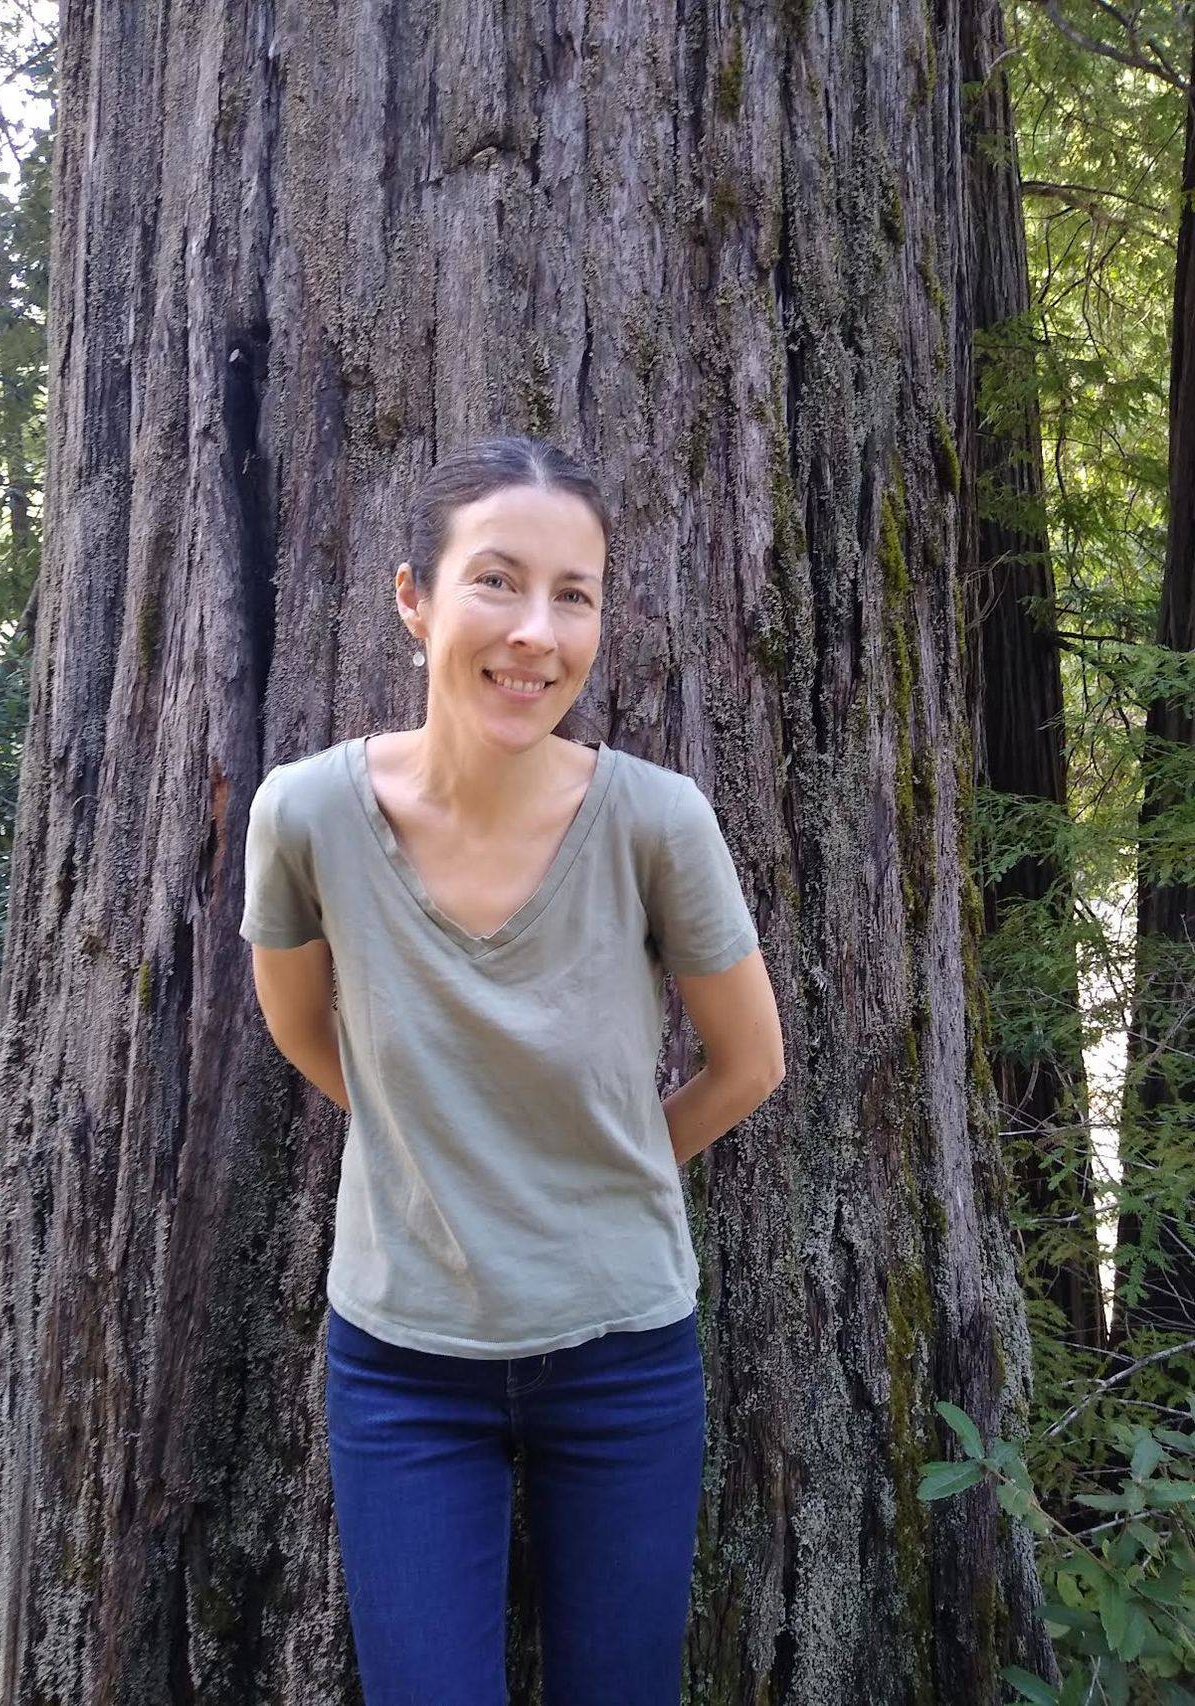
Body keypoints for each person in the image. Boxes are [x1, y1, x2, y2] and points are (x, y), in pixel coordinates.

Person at [238, 434, 785, 1705]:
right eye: (496, 580)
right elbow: (303, 1028)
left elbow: (748, 1062)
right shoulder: (304, 814)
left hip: (623, 1355)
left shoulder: (656, 818)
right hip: (401, 1363)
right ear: (413, 598)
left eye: (573, 594)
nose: (535, 631)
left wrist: (591, 1171)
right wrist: (438, 1145)